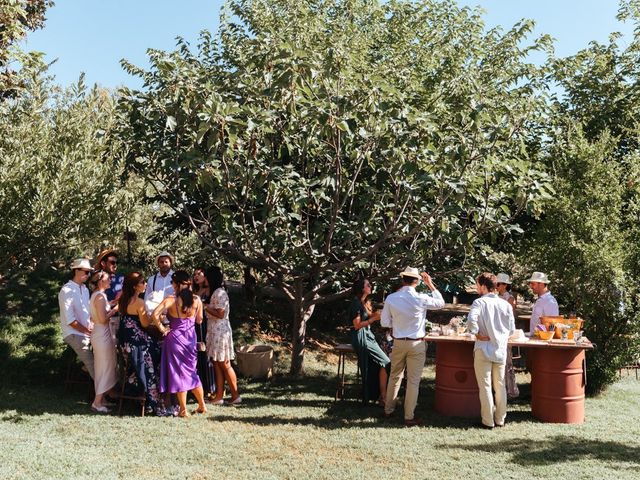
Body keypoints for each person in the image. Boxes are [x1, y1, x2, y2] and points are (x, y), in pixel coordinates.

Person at [381, 267, 445, 427]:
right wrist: (430, 284)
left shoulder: (391, 298)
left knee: (395, 376)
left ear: (403, 280)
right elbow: (440, 303)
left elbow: (384, 322)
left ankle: (388, 410)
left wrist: (395, 325)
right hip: (416, 343)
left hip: (398, 342)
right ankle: (408, 416)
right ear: (416, 281)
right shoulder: (420, 298)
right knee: (413, 381)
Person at [153, 270, 207, 417]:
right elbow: (199, 320)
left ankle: (183, 409)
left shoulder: (171, 299)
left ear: (176, 284)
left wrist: (163, 328)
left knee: (179, 374)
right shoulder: (197, 300)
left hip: (175, 339)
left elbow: (154, 314)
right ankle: (202, 404)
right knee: (191, 372)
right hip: (190, 340)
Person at [467, 272, 515, 429]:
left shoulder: (479, 303)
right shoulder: (506, 304)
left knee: (486, 386)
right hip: (500, 349)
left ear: (482, 286)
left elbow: (471, 320)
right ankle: (500, 419)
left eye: (477, 285)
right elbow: (512, 329)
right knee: (500, 386)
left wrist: (477, 334)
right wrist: (500, 337)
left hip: (483, 349)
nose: (476, 288)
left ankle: (488, 421)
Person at [118, 272, 164, 415]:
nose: (145, 285)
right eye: (142, 283)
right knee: (159, 351)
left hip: (126, 343)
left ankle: (135, 383)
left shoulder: (122, 300)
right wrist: (156, 317)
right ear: (135, 286)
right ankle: (153, 396)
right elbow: (144, 323)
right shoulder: (139, 302)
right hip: (138, 345)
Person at [349, 277, 390, 405]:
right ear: (362, 288)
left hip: (368, 335)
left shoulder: (365, 302)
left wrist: (375, 315)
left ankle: (378, 396)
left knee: (376, 364)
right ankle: (382, 397)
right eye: (368, 285)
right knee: (385, 362)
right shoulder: (355, 303)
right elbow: (356, 325)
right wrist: (373, 319)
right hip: (361, 336)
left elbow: (366, 318)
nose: (370, 286)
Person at [205, 266, 241, 405]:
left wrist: (205, 306)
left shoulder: (220, 293)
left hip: (220, 330)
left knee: (225, 363)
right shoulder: (215, 292)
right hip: (214, 329)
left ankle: (235, 395)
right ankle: (219, 396)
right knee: (216, 362)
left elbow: (220, 313)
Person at [58, 258, 95, 380]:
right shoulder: (66, 290)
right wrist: (88, 332)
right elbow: (71, 321)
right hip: (74, 333)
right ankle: (106, 395)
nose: (88, 275)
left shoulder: (85, 289)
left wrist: (92, 325)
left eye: (89, 272)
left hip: (86, 332)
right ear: (76, 271)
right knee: (92, 363)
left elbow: (88, 311)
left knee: (106, 356)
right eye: (86, 272)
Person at [89, 270, 119, 413]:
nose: (110, 281)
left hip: (100, 333)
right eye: (108, 279)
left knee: (103, 366)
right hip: (102, 333)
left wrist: (113, 303)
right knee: (104, 367)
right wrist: (115, 310)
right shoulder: (100, 296)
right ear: (101, 281)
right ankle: (97, 402)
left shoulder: (98, 296)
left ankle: (103, 398)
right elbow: (102, 319)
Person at [193, 267, 215, 397]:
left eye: (199, 274)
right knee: (198, 355)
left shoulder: (209, 290)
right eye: (194, 274)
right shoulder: (194, 291)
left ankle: (212, 387)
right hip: (196, 326)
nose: (196, 276)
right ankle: (201, 387)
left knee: (208, 355)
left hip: (207, 324)